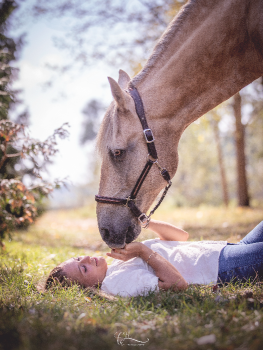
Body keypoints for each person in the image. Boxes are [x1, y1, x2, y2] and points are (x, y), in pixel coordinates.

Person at [45, 220, 263, 297]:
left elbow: (181, 238)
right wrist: (143, 251)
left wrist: (144, 222)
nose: (84, 259)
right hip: (223, 267)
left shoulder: (116, 265)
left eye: (77, 258)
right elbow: (178, 285)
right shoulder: (117, 283)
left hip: (227, 250)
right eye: (82, 269)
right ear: (89, 287)